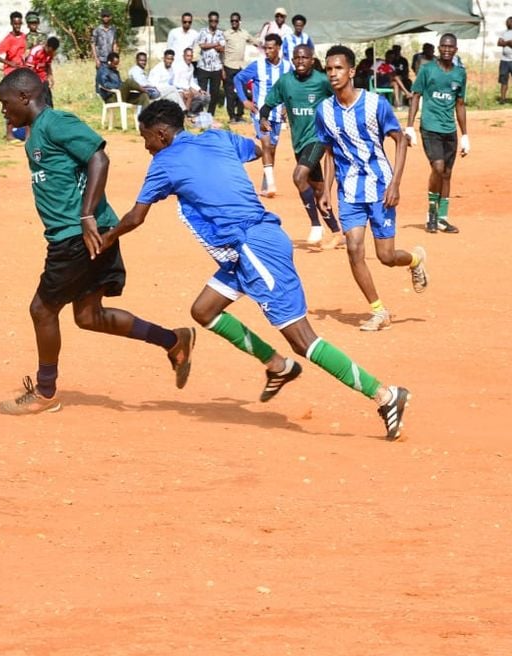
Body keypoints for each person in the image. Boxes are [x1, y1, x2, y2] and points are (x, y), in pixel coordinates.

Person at [89, 99, 412, 441]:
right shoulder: (217, 137)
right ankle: (277, 365)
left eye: (146, 139)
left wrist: (105, 239)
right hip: (245, 248)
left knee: (302, 340)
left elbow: (135, 217)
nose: (146, 147)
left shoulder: (165, 163)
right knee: (204, 310)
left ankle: (385, 395)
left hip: (254, 248)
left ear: (162, 134)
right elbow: (259, 149)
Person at [0, 69, 195, 415]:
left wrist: (86, 214)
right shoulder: (36, 132)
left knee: (42, 309)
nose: (3, 109)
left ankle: (45, 392)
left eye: (5, 102)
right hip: (89, 234)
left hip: (78, 235)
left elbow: (99, 157)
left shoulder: (56, 122)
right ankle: (173, 340)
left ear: (25, 97)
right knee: (89, 316)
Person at [315, 45, 428, 333]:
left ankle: (415, 259)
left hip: (380, 188)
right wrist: (326, 190)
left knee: (386, 257)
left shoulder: (375, 104)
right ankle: (379, 311)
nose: (333, 73)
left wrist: (395, 184)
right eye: (329, 69)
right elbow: (329, 152)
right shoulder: (324, 111)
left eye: (338, 68)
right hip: (349, 191)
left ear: (352, 71)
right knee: (353, 248)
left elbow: (400, 140)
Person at [261, 44, 342, 248]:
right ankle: (336, 232)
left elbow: (341, 97)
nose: (300, 61)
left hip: (318, 138)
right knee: (318, 190)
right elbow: (267, 104)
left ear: (312, 60)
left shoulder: (322, 80)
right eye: (297, 58)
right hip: (298, 142)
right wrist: (263, 118)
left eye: (304, 58)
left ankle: (315, 225)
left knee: (299, 176)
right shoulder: (286, 81)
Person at [406, 33, 469, 234]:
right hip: (430, 127)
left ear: (455, 50)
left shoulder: (460, 73)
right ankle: (431, 214)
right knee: (438, 167)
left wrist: (465, 135)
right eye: (444, 46)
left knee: (447, 174)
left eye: (451, 47)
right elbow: (416, 96)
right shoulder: (427, 70)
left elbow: (460, 104)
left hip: (449, 129)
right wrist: (410, 127)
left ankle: (442, 219)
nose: (447, 50)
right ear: (439, 48)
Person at [233, 33, 292, 197]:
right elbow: (238, 79)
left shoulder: (288, 67)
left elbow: (292, 87)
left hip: (278, 114)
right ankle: (271, 185)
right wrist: (244, 100)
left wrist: (287, 106)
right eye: (265, 48)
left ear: (278, 48)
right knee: (266, 144)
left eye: (270, 48)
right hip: (260, 114)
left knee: (272, 148)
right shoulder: (257, 65)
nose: (267, 51)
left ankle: (266, 185)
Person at [0, 11, 27, 141]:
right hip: (10, 75)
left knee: (24, 103)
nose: (17, 26)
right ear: (11, 23)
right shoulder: (9, 39)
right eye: (15, 24)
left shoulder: (25, 37)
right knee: (11, 104)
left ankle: (26, 134)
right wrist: (9, 63)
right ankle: (9, 134)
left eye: (19, 24)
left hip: (22, 75)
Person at [222, 12, 252, 123]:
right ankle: (232, 116)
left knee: (242, 91)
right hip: (229, 66)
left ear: (240, 22)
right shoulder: (226, 34)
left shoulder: (244, 33)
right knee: (230, 93)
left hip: (240, 67)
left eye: (236, 21)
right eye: (232, 21)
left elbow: (255, 41)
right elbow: (221, 51)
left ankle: (240, 115)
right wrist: (222, 68)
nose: (234, 23)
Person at [195, 12, 226, 116]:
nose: (213, 22)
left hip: (216, 67)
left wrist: (210, 45)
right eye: (212, 20)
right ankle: (200, 113)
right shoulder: (202, 31)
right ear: (208, 21)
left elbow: (222, 49)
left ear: (218, 21)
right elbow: (202, 45)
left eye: (215, 21)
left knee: (215, 93)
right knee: (201, 92)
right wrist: (215, 44)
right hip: (203, 67)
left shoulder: (221, 33)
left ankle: (210, 114)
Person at [25, 36, 58, 108]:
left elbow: (48, 66)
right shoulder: (36, 51)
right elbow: (29, 69)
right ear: (46, 45)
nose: (49, 53)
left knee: (48, 102)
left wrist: (51, 77)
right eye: (49, 51)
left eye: (51, 52)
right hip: (33, 79)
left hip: (43, 79)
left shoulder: (51, 53)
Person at [91, 8, 118, 94]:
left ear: (110, 17)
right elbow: (93, 44)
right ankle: (98, 94)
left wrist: (115, 57)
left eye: (107, 16)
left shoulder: (113, 30)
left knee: (112, 76)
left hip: (110, 59)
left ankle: (110, 94)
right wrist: (96, 59)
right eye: (103, 16)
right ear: (101, 18)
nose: (105, 18)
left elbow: (114, 43)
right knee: (100, 77)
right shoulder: (97, 30)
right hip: (101, 59)